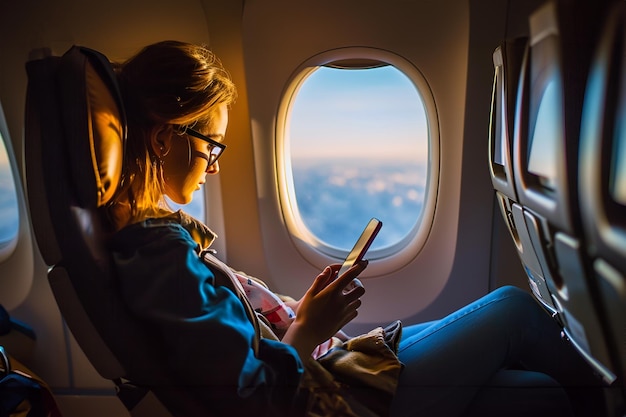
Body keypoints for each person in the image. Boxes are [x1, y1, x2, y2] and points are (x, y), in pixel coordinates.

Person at [105, 40, 603, 417]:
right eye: (212, 143)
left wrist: (299, 310)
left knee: (536, 389)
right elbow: (249, 397)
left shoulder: (160, 244)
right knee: (514, 312)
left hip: (325, 363)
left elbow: (231, 343)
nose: (214, 164)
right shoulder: (161, 256)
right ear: (165, 137)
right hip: (324, 393)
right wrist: (306, 329)